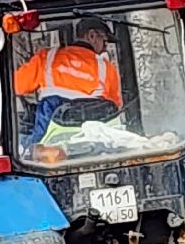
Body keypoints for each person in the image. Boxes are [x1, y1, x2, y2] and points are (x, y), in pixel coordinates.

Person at [13, 16, 123, 156]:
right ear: (91, 36)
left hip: (48, 134)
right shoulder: (107, 68)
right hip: (94, 138)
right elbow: (115, 107)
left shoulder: (47, 58)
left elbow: (16, 86)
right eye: (104, 41)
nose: (105, 47)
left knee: (22, 149)